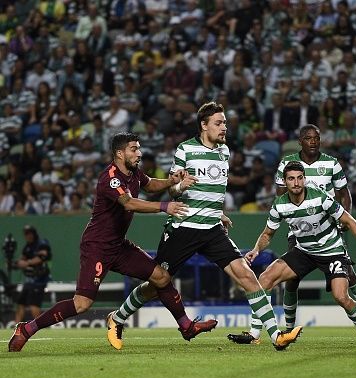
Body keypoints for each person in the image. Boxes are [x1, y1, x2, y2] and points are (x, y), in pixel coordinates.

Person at [105, 102, 303, 351]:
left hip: (211, 229)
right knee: (157, 284)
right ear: (204, 125)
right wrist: (180, 186)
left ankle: (276, 336)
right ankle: (118, 317)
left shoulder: (224, 152)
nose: (224, 128)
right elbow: (175, 188)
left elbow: (214, 190)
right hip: (183, 227)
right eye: (219, 123)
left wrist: (217, 213)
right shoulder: (185, 149)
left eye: (225, 123)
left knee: (246, 276)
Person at [8, 133, 217, 352]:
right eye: (134, 149)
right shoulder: (110, 177)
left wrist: (171, 181)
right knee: (82, 304)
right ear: (120, 153)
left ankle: (186, 326)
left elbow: (150, 184)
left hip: (118, 245)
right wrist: (164, 207)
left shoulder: (134, 172)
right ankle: (27, 328)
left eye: (138, 148)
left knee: (161, 277)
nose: (139, 152)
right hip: (97, 246)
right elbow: (128, 203)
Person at [227, 161, 356, 345]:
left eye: (300, 178)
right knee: (264, 278)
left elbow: (349, 220)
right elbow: (268, 233)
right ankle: (254, 335)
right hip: (304, 251)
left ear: (304, 179)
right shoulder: (280, 205)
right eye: (291, 179)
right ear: (284, 182)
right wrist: (256, 249)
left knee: (341, 296)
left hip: (332, 251)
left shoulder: (320, 198)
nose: (296, 183)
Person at [272, 124, 356, 341]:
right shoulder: (287, 165)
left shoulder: (331, 163)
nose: (313, 141)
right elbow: (281, 197)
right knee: (292, 279)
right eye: (308, 138)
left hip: (330, 229)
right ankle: (288, 329)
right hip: (300, 232)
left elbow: (345, 194)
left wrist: (345, 218)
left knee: (349, 277)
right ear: (300, 141)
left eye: (316, 137)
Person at [13, 225, 51, 324]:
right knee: (21, 303)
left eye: (29, 233)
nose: (27, 236)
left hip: (40, 280)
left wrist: (27, 263)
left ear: (34, 234)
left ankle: (39, 327)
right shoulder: (27, 247)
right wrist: (17, 263)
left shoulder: (42, 244)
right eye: (26, 234)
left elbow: (42, 257)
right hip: (29, 280)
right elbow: (22, 258)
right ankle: (15, 328)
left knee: (34, 305)